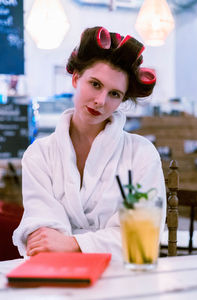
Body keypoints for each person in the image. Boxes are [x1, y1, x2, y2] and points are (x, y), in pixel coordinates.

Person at [13, 26, 166, 261]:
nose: (101, 101)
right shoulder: (39, 155)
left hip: (125, 282)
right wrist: (108, 240)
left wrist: (72, 242)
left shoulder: (141, 154)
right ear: (76, 78)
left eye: (114, 94)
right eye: (95, 84)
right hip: (58, 277)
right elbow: (42, 236)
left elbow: (144, 237)